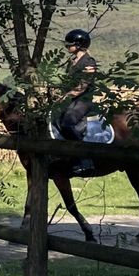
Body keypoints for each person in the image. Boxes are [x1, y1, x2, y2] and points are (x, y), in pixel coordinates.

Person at [59, 28, 97, 176]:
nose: (67, 46)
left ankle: (85, 160)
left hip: (84, 100)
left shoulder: (89, 62)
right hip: (72, 99)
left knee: (67, 123)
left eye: (70, 44)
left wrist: (67, 95)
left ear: (79, 45)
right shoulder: (72, 62)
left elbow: (83, 86)